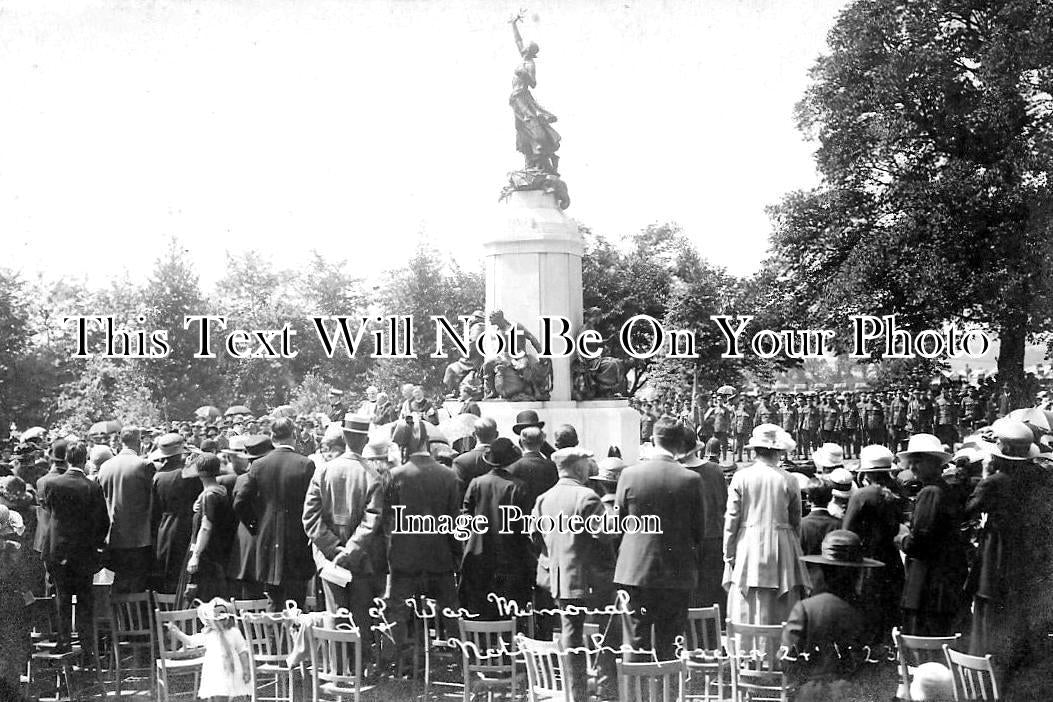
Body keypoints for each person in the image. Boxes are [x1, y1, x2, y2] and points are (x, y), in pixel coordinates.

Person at [615, 417, 703, 661]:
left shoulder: (629, 475)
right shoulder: (691, 479)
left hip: (635, 571)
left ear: (653, 440)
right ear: (679, 444)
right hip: (676, 571)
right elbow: (699, 531)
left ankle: (636, 694)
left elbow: (620, 523)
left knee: (635, 640)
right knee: (670, 642)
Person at [532, 447, 616, 701]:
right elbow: (604, 534)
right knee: (605, 633)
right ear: (579, 468)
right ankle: (604, 688)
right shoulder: (587, 497)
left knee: (571, 635)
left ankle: (575, 690)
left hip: (561, 577)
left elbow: (535, 537)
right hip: (591, 578)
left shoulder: (544, 498)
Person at [382, 418, 460, 668]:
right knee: (450, 614)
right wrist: (455, 557)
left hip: (404, 561)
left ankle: (398, 664)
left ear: (404, 448)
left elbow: (387, 521)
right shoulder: (448, 475)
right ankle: (460, 663)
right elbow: (453, 523)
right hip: (440, 559)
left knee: (397, 613)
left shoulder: (394, 475)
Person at [302, 417, 384, 653]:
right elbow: (373, 519)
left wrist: (333, 549)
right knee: (360, 616)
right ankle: (361, 669)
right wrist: (350, 551)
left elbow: (310, 517)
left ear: (344, 439)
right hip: (361, 560)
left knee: (336, 615)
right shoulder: (371, 473)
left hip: (330, 561)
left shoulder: (323, 471)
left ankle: (339, 671)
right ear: (365, 440)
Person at [723, 424, 810, 627]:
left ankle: (749, 648)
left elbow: (732, 519)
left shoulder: (741, 476)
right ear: (778, 451)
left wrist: (729, 553)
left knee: (748, 596)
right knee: (783, 596)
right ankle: (781, 646)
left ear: (755, 450)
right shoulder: (789, 479)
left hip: (749, 541)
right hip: (783, 541)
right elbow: (795, 519)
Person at [966, 419, 1036, 655]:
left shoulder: (993, 483)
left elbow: (969, 510)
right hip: (1025, 548)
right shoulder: (1036, 477)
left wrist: (986, 475)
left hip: (996, 548)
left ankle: (988, 658)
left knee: (990, 599)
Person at [234, 417, 315, 611]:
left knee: (274, 600)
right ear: (294, 435)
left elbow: (240, 502)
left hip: (268, 541)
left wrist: (256, 526)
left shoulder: (259, 465)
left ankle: (275, 640)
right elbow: (313, 505)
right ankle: (295, 640)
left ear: (272, 437)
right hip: (298, 540)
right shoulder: (305, 464)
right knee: (297, 601)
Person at [783, 530, 881, 688]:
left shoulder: (806, 609)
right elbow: (877, 667)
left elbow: (787, 663)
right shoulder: (871, 610)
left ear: (824, 570)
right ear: (858, 571)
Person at [38, 441, 109, 658]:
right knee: (85, 599)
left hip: (57, 549)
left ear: (67, 459)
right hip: (83, 552)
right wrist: (96, 544)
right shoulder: (92, 486)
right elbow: (103, 522)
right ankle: (87, 645)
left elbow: (50, 513)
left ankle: (64, 640)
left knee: (62, 596)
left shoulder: (52, 484)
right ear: (85, 459)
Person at [895, 434, 968, 636]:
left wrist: (902, 537)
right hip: (942, 577)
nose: (912, 468)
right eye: (911, 463)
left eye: (918, 462)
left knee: (924, 635)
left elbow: (918, 543)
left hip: (927, 580)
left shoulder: (930, 493)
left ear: (934, 463)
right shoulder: (943, 489)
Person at [459, 437, 534, 619]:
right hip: (509, 556)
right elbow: (524, 525)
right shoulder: (519, 487)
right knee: (506, 608)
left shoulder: (476, 483)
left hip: (478, 554)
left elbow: (465, 519)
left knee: (480, 607)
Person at [843, 445, 905, 648]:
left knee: (868, 611)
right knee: (889, 610)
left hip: (867, 560)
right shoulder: (897, 492)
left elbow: (847, 531)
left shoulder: (861, 495)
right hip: (891, 558)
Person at [97, 427, 156, 594]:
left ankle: (119, 619)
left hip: (113, 537)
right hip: (139, 537)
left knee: (119, 583)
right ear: (138, 442)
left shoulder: (105, 467)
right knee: (137, 585)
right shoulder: (144, 465)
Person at [678, 427, 728, 611]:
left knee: (690, 595)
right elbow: (724, 503)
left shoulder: (676, 474)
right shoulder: (715, 470)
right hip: (714, 537)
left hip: (686, 541)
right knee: (712, 592)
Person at [165, 598, 252, 701]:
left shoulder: (234, 633)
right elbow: (191, 641)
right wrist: (178, 633)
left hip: (231, 670)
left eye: (223, 618)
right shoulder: (208, 635)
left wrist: (246, 668)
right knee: (217, 695)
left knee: (230, 694)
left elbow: (242, 650)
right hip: (214, 672)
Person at [509, 12, 561, 173]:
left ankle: (542, 152)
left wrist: (523, 74)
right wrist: (513, 24)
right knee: (522, 129)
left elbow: (533, 83)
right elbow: (517, 40)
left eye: (527, 47)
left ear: (531, 51)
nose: (523, 47)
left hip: (522, 97)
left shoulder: (529, 64)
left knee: (530, 123)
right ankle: (532, 158)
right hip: (515, 100)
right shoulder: (523, 57)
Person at [151, 433, 203, 595]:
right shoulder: (190, 473)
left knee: (167, 576)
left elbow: (154, 511)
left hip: (165, 529)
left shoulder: (158, 477)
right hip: (187, 527)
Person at [182, 454, 236, 603]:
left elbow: (206, 527)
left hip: (207, 555)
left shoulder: (209, 495)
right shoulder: (221, 490)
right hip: (219, 553)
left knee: (203, 598)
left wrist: (196, 555)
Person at [507, 426, 558, 510]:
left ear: (520, 443)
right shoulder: (552, 466)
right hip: (545, 515)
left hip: (521, 517)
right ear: (542, 443)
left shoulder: (513, 467)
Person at [452, 417, 499, 502]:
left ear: (474, 435)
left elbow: (456, 493)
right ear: (496, 434)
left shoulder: (461, 461)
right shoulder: (506, 459)